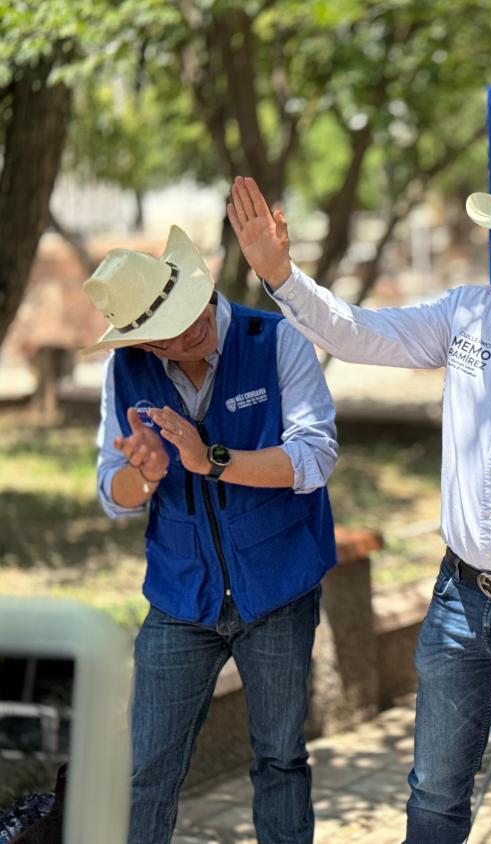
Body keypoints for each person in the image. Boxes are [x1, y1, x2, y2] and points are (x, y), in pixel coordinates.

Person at [226, 150, 491, 843]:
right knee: (432, 796)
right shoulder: (467, 315)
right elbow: (358, 333)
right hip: (459, 599)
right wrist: (280, 273)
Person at [84, 226, 339, 844]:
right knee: (145, 768)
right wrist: (142, 479)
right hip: (180, 596)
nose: (185, 332)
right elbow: (110, 488)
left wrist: (212, 459)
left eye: (187, 312)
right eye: (162, 332)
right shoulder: (127, 371)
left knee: (280, 760)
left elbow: (315, 457)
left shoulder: (275, 340)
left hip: (278, 589)